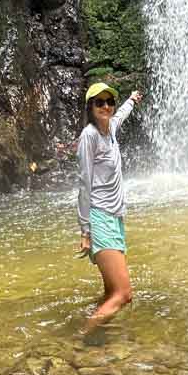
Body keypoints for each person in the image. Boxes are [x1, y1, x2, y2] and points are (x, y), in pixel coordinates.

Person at [76, 82, 143, 330]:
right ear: (90, 107)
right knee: (123, 294)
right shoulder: (89, 136)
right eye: (99, 102)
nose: (106, 106)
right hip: (99, 217)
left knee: (110, 292)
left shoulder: (111, 127)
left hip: (115, 216)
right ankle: (78, 341)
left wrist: (132, 99)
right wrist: (85, 230)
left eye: (109, 102)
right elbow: (84, 183)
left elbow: (122, 114)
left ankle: (99, 340)